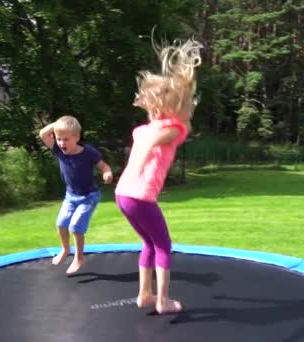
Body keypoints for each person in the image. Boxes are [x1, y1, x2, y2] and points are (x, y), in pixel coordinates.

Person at [115, 38, 202, 314]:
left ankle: (144, 295)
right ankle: (163, 301)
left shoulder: (142, 131)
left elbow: (154, 132)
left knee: (148, 243)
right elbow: (175, 127)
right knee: (164, 245)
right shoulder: (175, 129)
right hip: (140, 196)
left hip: (122, 195)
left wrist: (153, 107)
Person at [39, 115, 113, 274]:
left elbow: (103, 166)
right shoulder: (58, 151)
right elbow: (43, 134)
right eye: (59, 139)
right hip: (70, 196)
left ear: (76, 137)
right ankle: (65, 249)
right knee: (61, 223)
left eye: (66, 139)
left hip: (89, 196)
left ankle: (79, 257)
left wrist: (107, 173)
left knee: (75, 226)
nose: (61, 143)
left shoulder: (88, 152)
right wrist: (57, 125)